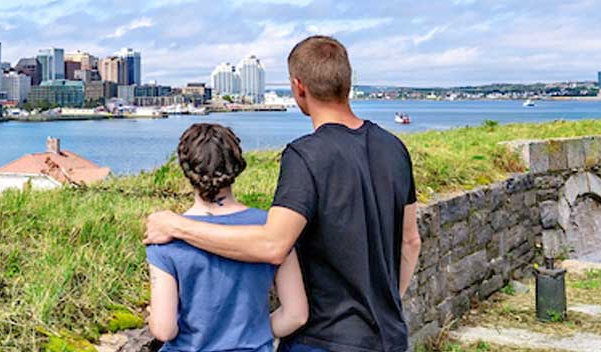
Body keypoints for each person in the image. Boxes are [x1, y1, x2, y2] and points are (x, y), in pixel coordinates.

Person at [145, 36, 422, 352]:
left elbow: (273, 244)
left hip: (325, 340)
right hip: (389, 337)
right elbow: (410, 241)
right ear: (347, 81)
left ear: (298, 87)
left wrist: (176, 226)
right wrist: (386, 306)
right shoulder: (394, 148)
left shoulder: (306, 155)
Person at [147, 123, 308, 351]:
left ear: (186, 168)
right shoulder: (272, 229)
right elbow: (296, 315)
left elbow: (164, 330)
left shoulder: (165, 239)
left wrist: (153, 317)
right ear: (236, 166)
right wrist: (255, 333)